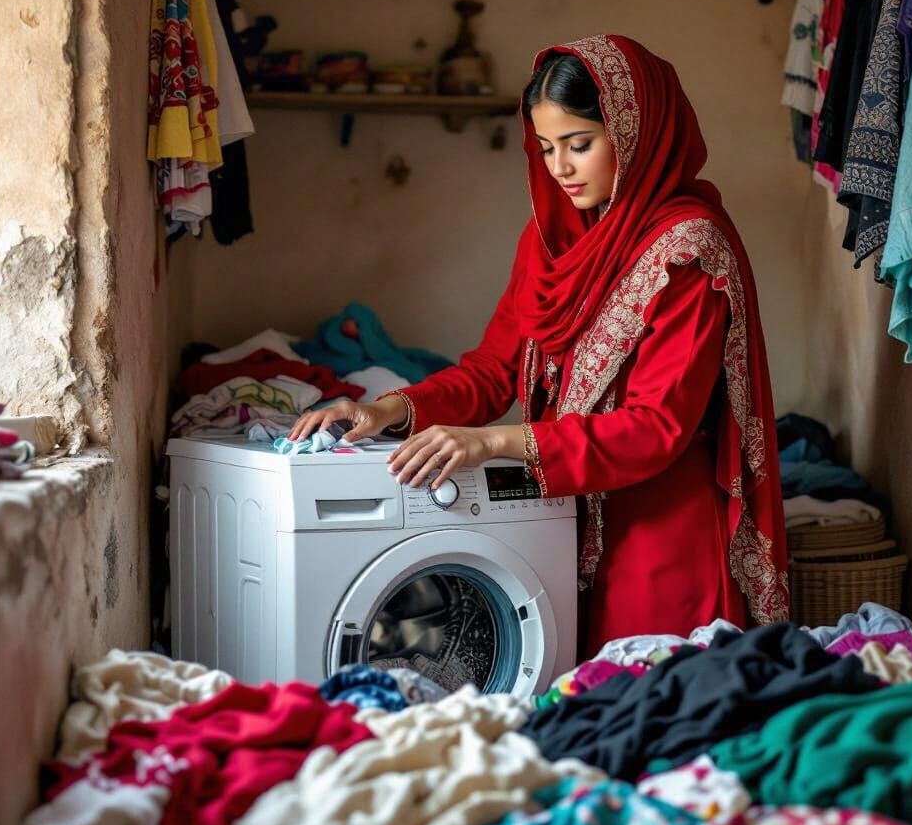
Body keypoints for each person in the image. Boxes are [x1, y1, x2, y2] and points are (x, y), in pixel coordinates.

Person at [288, 34, 788, 657]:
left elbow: (658, 426)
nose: (560, 169)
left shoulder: (688, 249)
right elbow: (495, 371)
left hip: (664, 546)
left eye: (580, 145)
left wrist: (492, 441)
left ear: (634, 131)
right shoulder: (552, 238)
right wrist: (384, 409)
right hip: (559, 530)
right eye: (547, 148)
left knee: (652, 722)